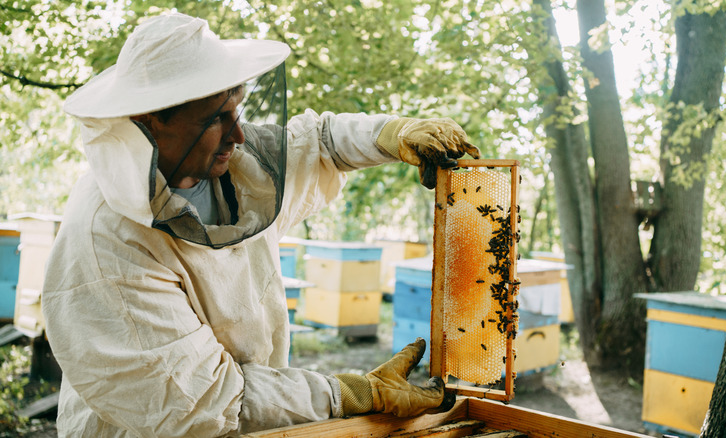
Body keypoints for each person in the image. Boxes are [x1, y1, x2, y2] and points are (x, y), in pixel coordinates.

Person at [41, 12, 480, 437]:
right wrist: (351, 393)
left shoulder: (229, 166)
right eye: (215, 118)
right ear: (149, 121)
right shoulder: (106, 243)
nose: (239, 134)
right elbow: (202, 401)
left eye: (236, 108)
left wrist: (391, 133)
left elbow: (319, 144)